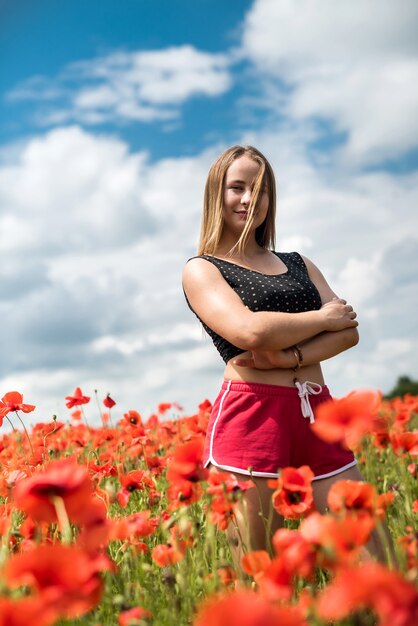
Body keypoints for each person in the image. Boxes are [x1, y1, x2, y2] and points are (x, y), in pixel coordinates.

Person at [182, 145, 393, 565]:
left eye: (259, 190)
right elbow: (250, 330)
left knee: (378, 553)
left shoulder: (298, 262)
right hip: (253, 417)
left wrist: (289, 357)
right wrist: (321, 316)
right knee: (259, 569)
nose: (248, 199)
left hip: (317, 411)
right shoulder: (203, 269)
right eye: (237, 187)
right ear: (215, 195)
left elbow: (348, 332)